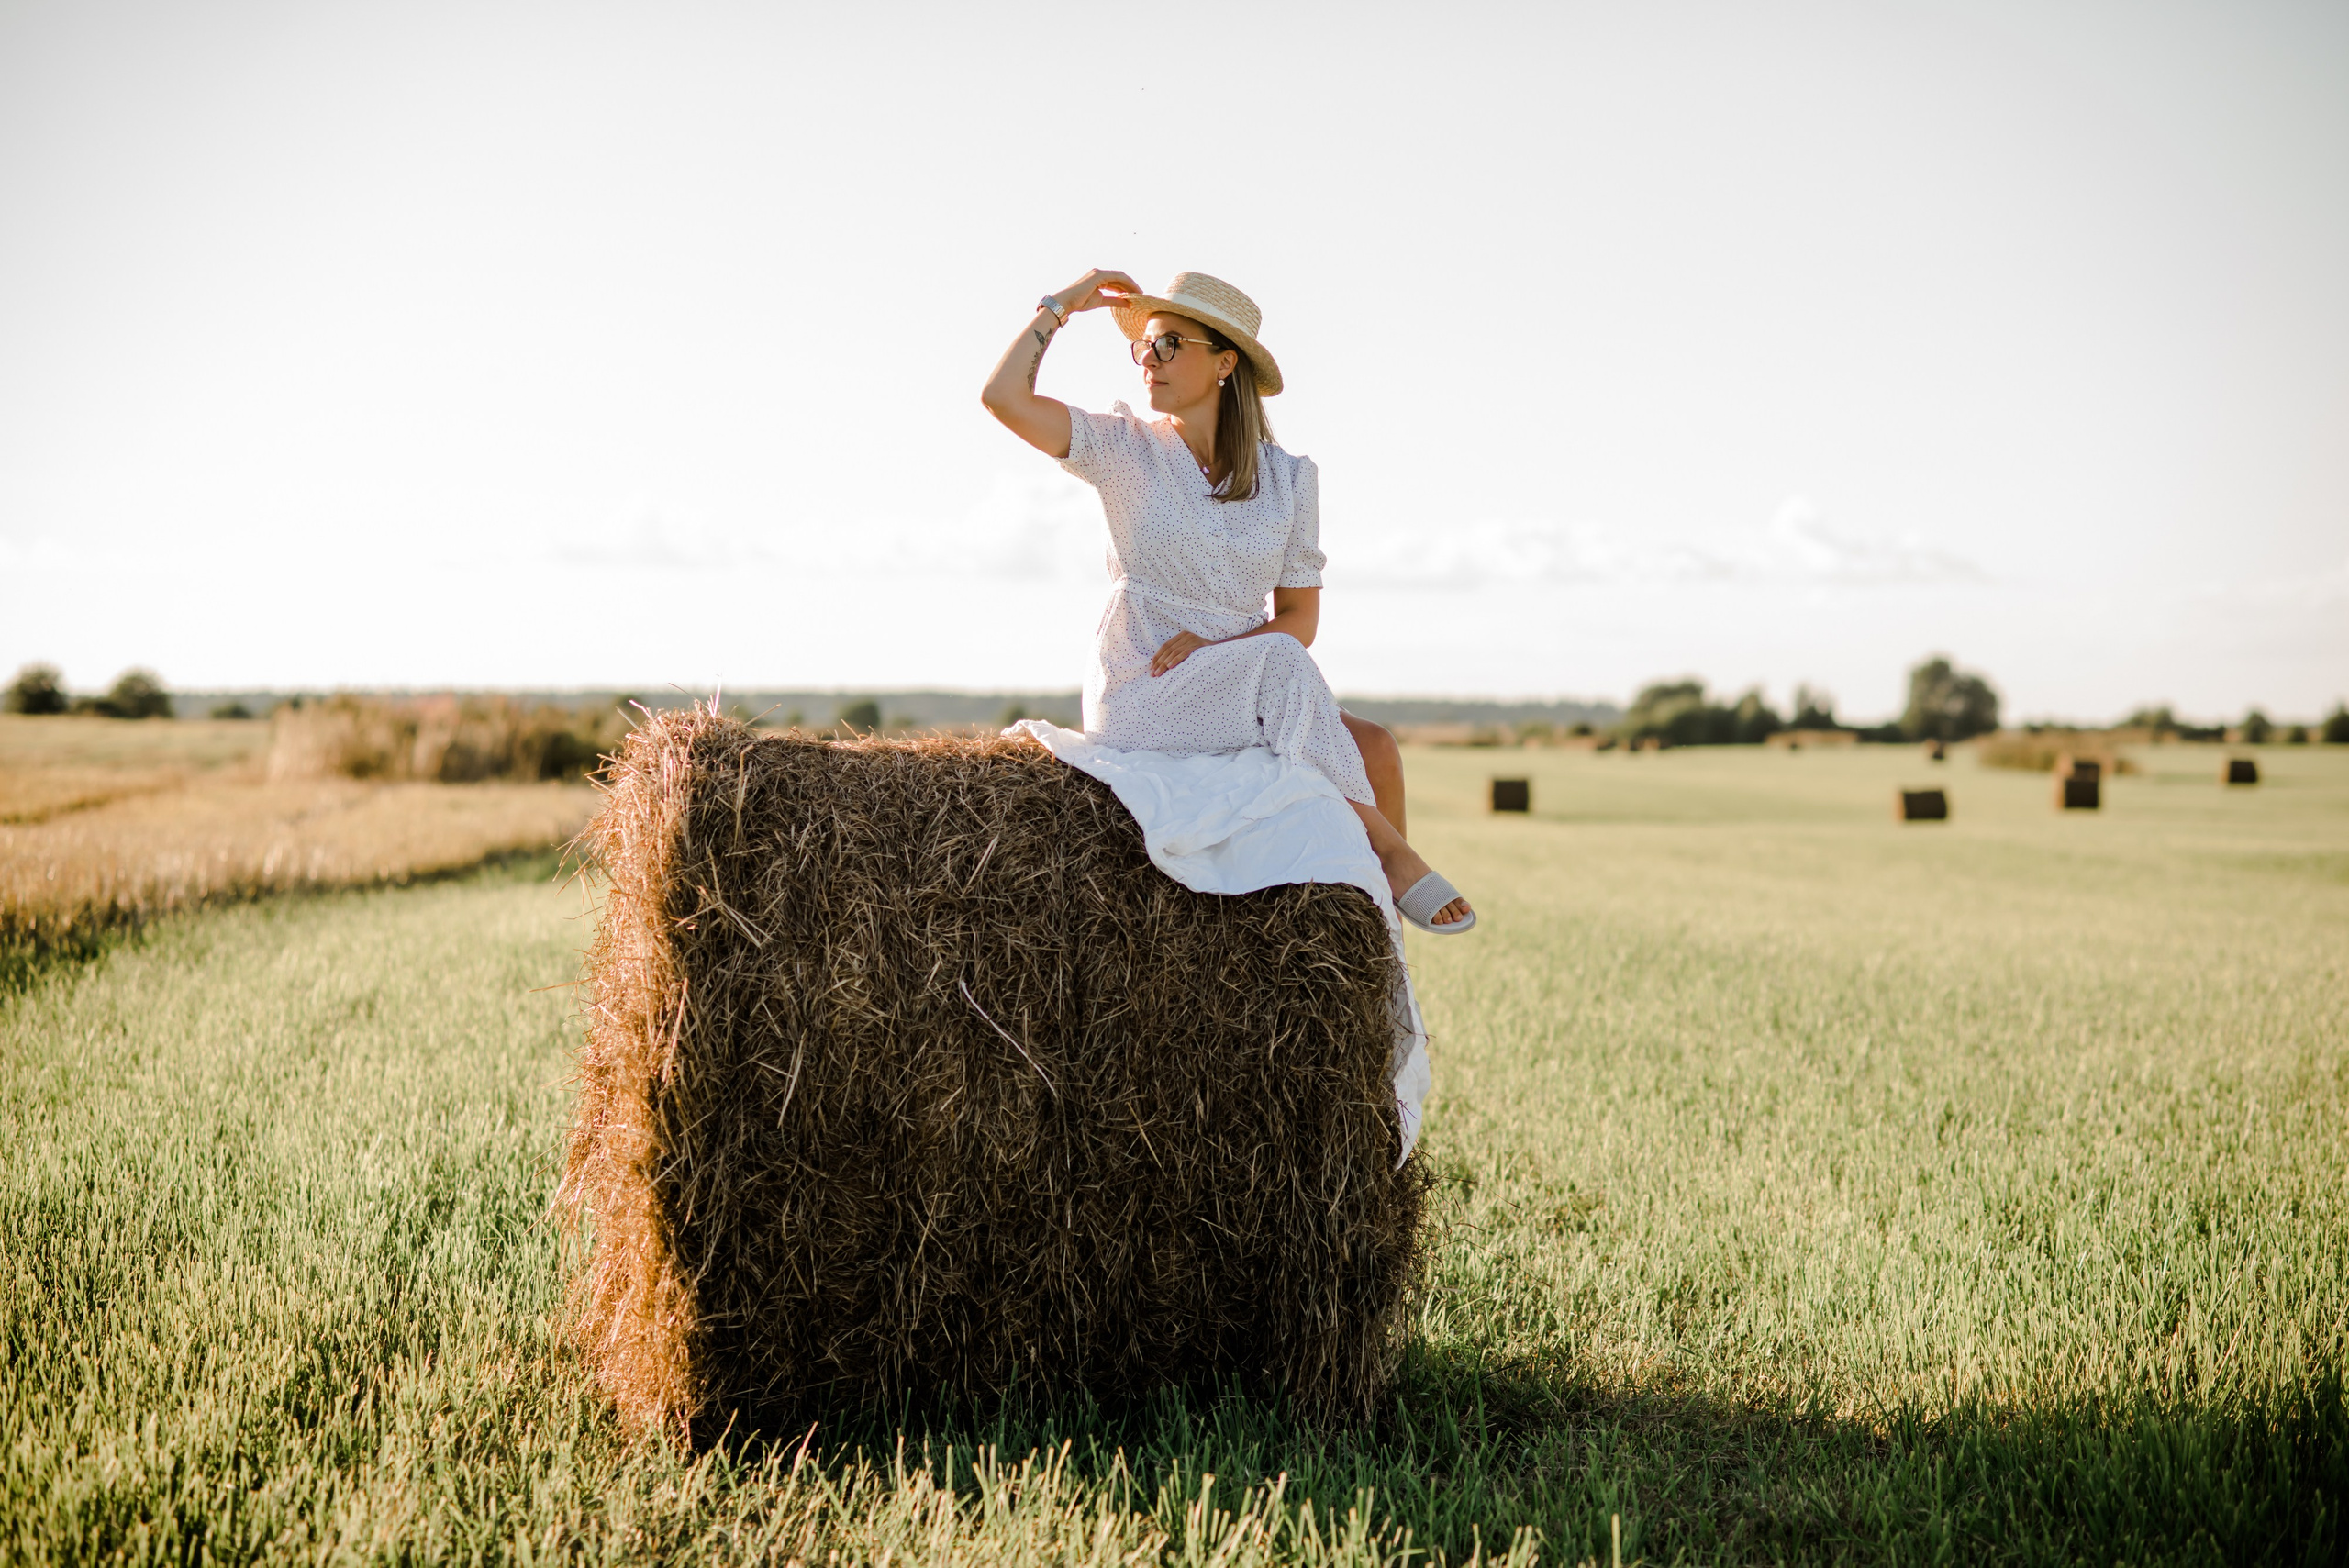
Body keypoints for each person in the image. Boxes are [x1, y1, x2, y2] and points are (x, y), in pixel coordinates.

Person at [980, 269, 1474, 932]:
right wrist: (1061, 305)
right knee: (1281, 664)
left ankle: (1376, 941)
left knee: (1377, 748)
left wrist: (1221, 649)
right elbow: (1003, 396)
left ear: (1224, 362)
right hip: (1147, 685)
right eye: (1142, 347)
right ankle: (1391, 851)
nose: (1147, 362)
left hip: (1249, 681)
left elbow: (1299, 621)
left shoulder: (1289, 480)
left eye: (1169, 344)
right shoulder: (1123, 448)